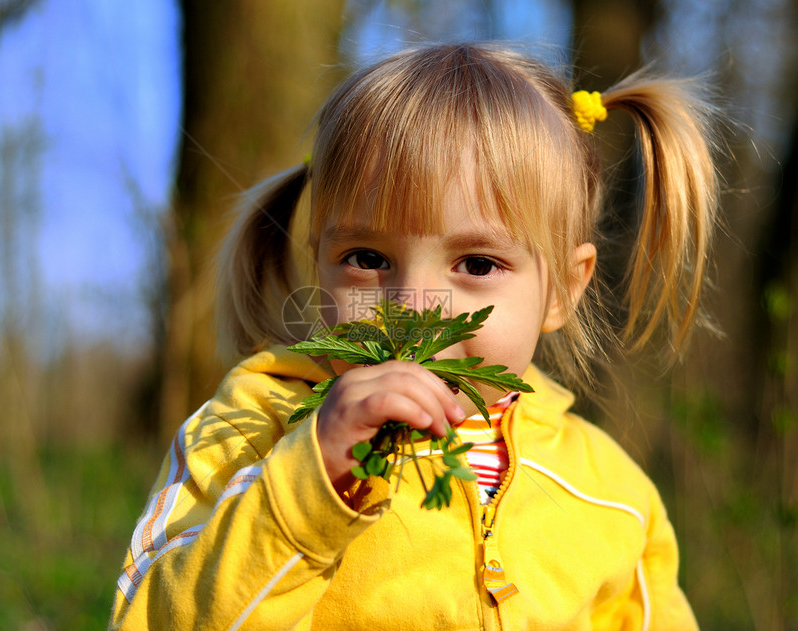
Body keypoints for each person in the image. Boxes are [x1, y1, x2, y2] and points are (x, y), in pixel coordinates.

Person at [110, 43, 721, 630]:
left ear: (563, 288)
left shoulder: (610, 492)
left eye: (477, 265)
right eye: (369, 256)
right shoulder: (250, 430)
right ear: (316, 260)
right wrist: (305, 488)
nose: (413, 308)